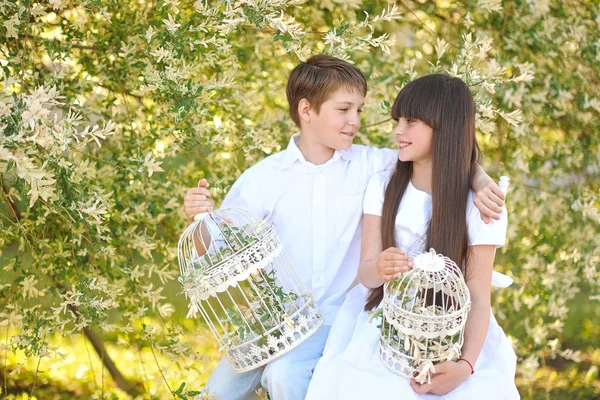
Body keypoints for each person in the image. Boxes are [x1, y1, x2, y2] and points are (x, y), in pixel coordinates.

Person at [184, 58, 506, 400]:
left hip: (333, 318)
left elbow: (441, 156)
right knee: (216, 392)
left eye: (359, 110)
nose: (355, 121)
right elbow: (215, 245)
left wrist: (479, 179)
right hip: (276, 321)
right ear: (306, 110)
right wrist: (201, 217)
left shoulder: (372, 165)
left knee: (284, 376)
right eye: (344, 110)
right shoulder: (264, 178)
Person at [305, 74, 519, 400]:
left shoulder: (479, 204)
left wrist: (464, 366)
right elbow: (366, 271)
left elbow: (477, 295)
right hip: (388, 320)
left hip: (454, 328)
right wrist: (381, 267)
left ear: (445, 126)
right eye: (398, 120)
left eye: (411, 121)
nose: (398, 131)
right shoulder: (384, 186)